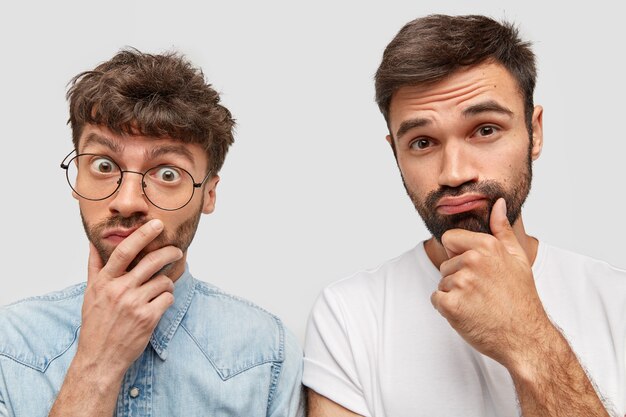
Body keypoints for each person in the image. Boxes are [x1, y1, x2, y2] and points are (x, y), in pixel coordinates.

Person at [303, 14, 626, 417]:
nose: (454, 173)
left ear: (534, 131)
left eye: (485, 130)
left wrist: (527, 337)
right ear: (395, 154)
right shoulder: (349, 317)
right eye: (422, 142)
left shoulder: (617, 303)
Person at [0, 49, 302, 417]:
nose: (127, 202)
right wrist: (97, 361)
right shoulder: (9, 345)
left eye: (168, 173)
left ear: (208, 194)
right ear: (77, 178)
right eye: (104, 165)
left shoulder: (268, 353)